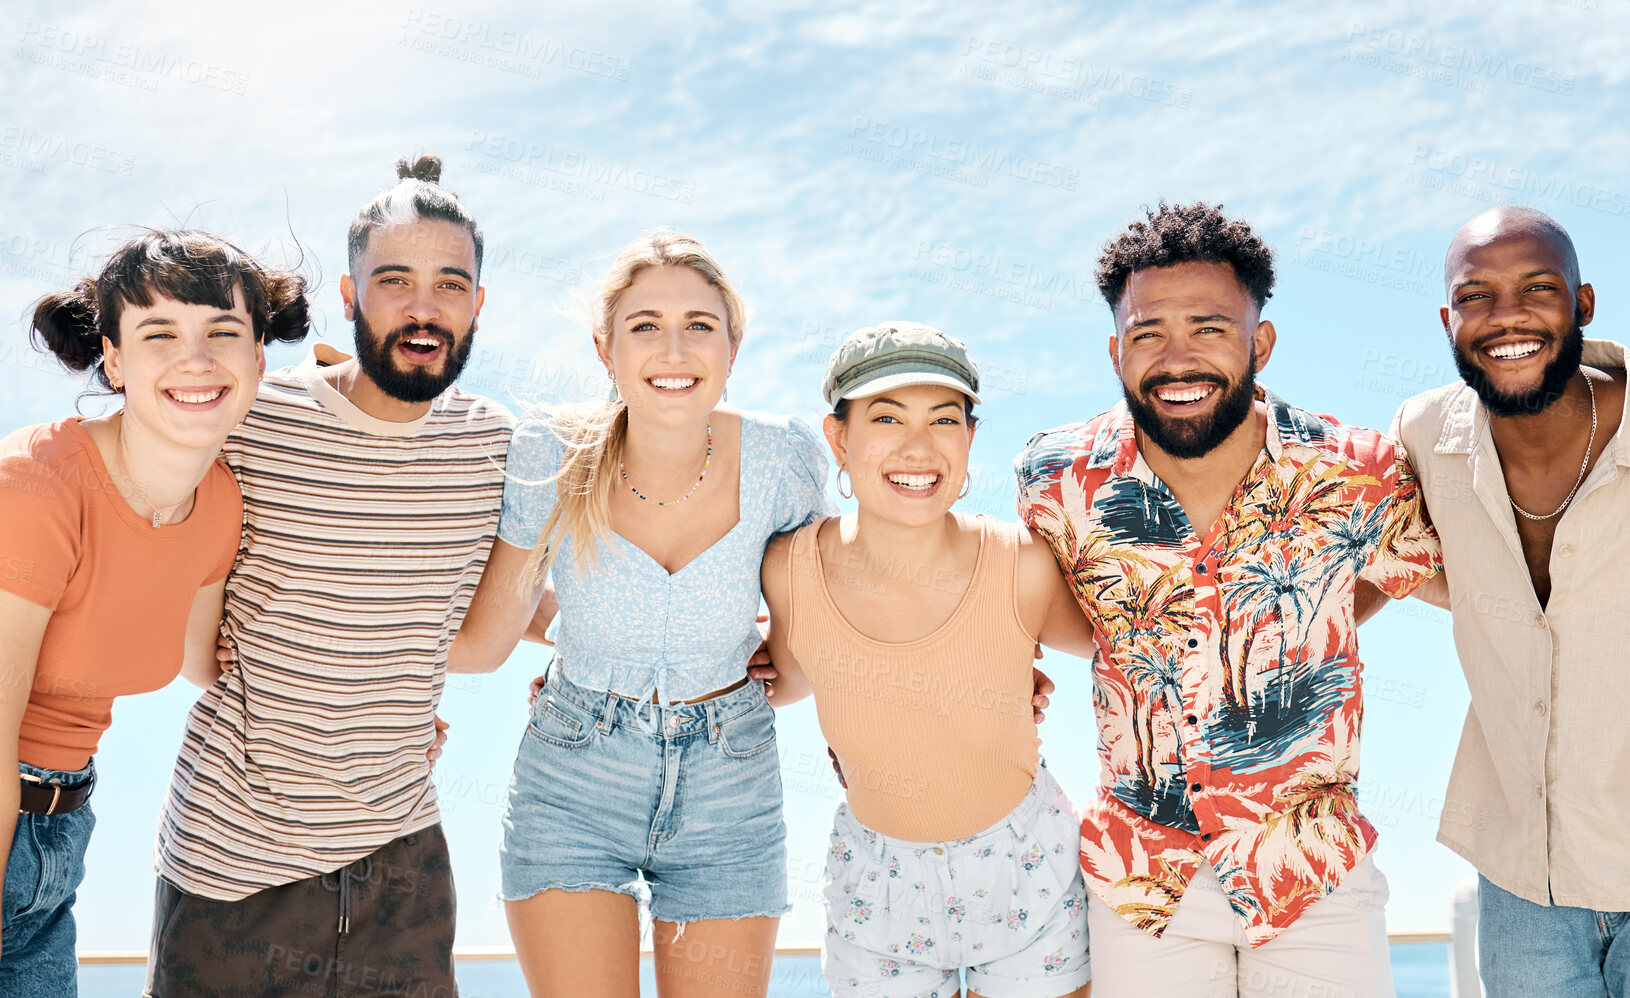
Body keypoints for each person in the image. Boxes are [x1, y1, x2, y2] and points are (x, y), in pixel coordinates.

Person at [1014, 203, 1440, 998]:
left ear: (1260, 342)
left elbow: (1434, 573)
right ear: (1115, 351)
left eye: (1209, 329)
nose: (1178, 359)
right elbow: (1012, 601)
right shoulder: (1056, 478)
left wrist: (1311, 620)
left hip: (1315, 870)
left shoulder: (1355, 469)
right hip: (1142, 882)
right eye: (1148, 335)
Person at [146, 157, 513, 997]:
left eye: (450, 285)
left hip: (405, 871)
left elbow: (503, 607)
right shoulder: (253, 420)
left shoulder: (493, 446)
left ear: (478, 306)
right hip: (231, 871)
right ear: (350, 298)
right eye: (394, 281)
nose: (424, 309)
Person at [1389, 205, 1630, 997]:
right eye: (1476, 296)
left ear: (1584, 303)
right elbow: (1394, 559)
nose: (1507, 316)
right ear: (1447, 318)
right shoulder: (1424, 436)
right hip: (1520, 873)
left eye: (1538, 287)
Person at [447, 229, 830, 998]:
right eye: (645, 326)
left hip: (733, 785)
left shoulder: (785, 461)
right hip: (571, 781)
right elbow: (485, 639)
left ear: (734, 346)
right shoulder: (551, 453)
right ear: (605, 349)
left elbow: (801, 659)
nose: (674, 349)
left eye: (699, 325)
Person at [1, 229, 307, 996]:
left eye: (223, 333)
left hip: (58, 832)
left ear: (260, 358)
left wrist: (377, 706)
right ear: (114, 359)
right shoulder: (38, 485)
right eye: (159, 333)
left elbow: (209, 664)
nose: (195, 359)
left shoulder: (219, 504)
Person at [757, 321, 1095, 998]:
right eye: (886, 416)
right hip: (878, 884)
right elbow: (788, 677)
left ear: (969, 440)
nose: (919, 446)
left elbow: (1131, 649)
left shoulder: (1021, 564)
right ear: (839, 439)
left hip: (1025, 867)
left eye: (945, 420)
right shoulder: (789, 567)